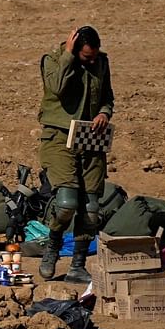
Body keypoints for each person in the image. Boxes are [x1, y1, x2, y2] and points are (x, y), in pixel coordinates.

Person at [35, 24, 114, 282]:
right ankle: (52, 249)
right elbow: (57, 87)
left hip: (90, 136)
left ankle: (77, 265)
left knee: (91, 208)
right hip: (59, 136)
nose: (91, 62)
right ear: (74, 48)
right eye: (85, 57)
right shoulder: (54, 60)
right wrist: (69, 56)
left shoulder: (101, 63)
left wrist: (104, 112)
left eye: (94, 57)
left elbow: (107, 96)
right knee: (67, 203)